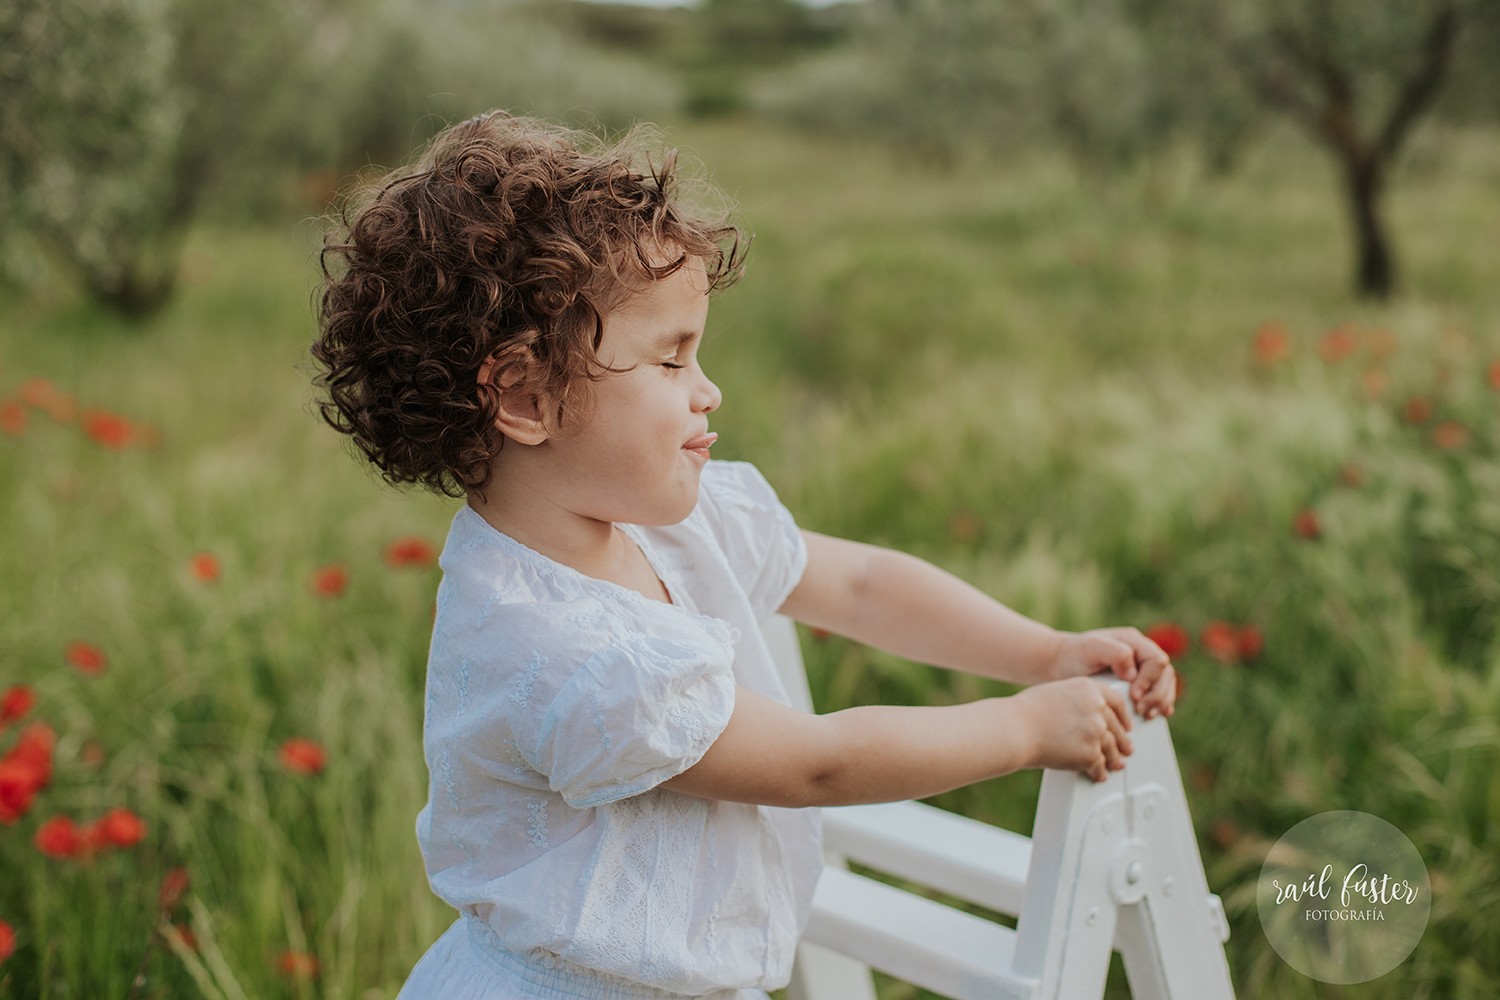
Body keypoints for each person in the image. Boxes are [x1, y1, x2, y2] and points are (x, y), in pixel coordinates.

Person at [311, 111, 1178, 1000]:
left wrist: (1045, 653)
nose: (708, 390)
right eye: (672, 361)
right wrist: (1028, 728)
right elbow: (815, 763)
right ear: (527, 398)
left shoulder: (664, 520)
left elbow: (862, 584)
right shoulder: (561, 647)